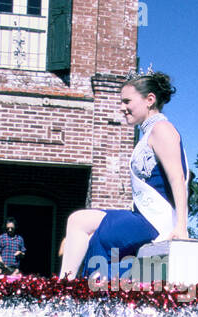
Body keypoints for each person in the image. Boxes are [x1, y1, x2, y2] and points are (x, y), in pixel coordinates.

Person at [59, 70, 188, 280]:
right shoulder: (148, 133)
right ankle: (68, 283)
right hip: (143, 217)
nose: (122, 107)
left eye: (127, 101)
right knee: (79, 220)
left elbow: (177, 179)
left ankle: (69, 286)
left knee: (90, 230)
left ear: (150, 99)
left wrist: (181, 227)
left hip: (154, 222)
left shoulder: (162, 129)